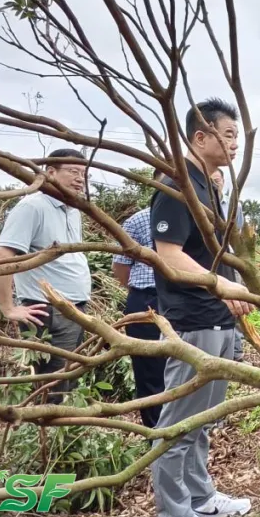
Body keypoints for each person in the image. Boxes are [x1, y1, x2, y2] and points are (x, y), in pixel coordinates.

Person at [150, 99, 254, 517]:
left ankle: (200, 497)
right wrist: (221, 287)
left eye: (236, 136)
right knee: (178, 425)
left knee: (203, 420)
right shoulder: (177, 184)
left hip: (216, 316)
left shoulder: (210, 187)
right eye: (228, 135)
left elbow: (219, 251)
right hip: (191, 320)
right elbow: (169, 254)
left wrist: (230, 290)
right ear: (200, 137)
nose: (235, 144)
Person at [0, 148, 91, 402]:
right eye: (72, 172)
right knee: (53, 383)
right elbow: (2, 256)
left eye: (83, 173)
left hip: (74, 308)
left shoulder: (72, 209)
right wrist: (8, 307)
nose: (80, 178)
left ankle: (62, 434)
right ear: (50, 173)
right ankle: (44, 434)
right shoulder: (33, 206)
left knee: (69, 377)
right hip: (48, 312)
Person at [111, 169, 164, 429]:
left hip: (183, 302)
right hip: (146, 302)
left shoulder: (196, 219)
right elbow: (121, 266)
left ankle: (182, 427)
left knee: (180, 365)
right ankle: (155, 431)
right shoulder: (138, 221)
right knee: (149, 369)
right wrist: (138, 292)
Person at [211, 167, 246, 363]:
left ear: (224, 182)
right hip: (211, 261)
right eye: (212, 181)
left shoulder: (234, 206)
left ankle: (236, 350)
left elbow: (237, 234)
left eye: (219, 181)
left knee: (237, 302)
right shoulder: (200, 201)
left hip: (230, 261)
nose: (216, 184)